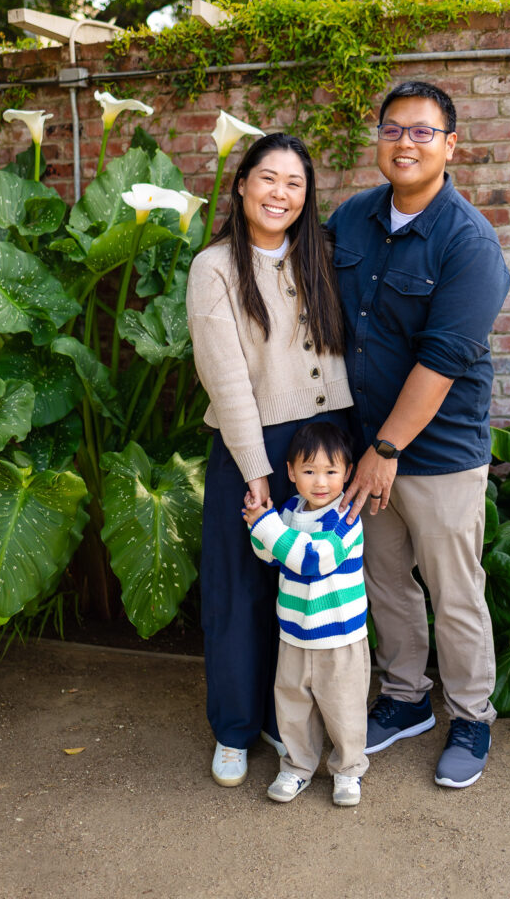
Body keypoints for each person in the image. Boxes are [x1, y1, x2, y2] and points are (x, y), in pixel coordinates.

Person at [325, 80, 510, 789]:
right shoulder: (352, 219)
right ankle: (403, 699)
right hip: (365, 445)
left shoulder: (469, 243)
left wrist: (385, 451)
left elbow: (441, 361)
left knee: (452, 587)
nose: (405, 142)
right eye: (392, 129)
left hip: (432, 454)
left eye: (422, 132)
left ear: (449, 145)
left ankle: (469, 715)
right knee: (384, 580)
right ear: (378, 139)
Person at [186, 133, 353, 787]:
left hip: (327, 448)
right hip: (251, 448)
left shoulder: (325, 257)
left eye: (294, 183)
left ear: (306, 196)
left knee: (312, 590)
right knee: (238, 590)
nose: (280, 193)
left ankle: (292, 725)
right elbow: (224, 378)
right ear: (242, 185)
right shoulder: (216, 268)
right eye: (268, 178)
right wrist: (256, 470)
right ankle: (233, 728)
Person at [242, 421, 369, 807]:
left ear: (347, 473)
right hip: (295, 633)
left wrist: (267, 528)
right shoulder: (290, 511)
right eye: (309, 470)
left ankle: (347, 770)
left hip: (339, 637)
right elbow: (270, 553)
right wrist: (260, 523)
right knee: (293, 706)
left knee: (343, 708)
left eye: (331, 471)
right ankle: (297, 766)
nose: (320, 482)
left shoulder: (345, 519)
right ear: (291, 472)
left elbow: (312, 559)